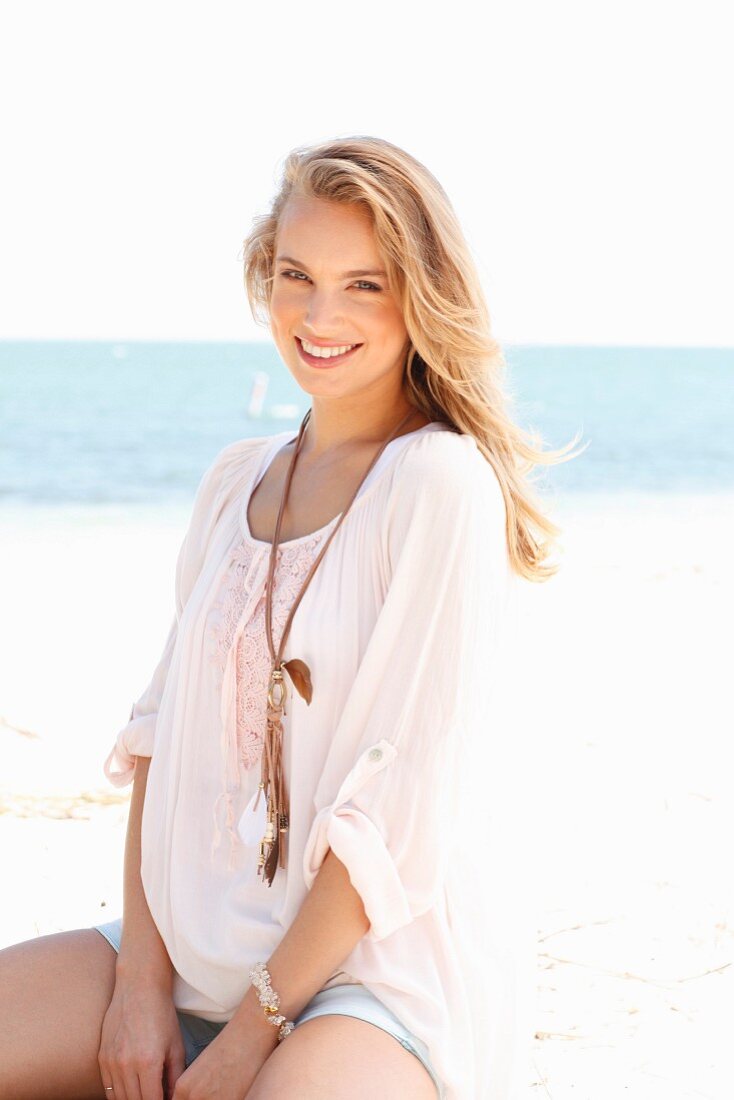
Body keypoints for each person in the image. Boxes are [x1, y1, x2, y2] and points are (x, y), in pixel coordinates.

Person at [0, 136, 576, 1100]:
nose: (318, 315)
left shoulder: (437, 484)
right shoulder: (236, 478)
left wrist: (244, 1043)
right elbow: (160, 747)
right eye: (295, 275)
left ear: (419, 297)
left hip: (368, 976)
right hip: (187, 944)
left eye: (364, 285)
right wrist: (140, 985)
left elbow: (390, 821)